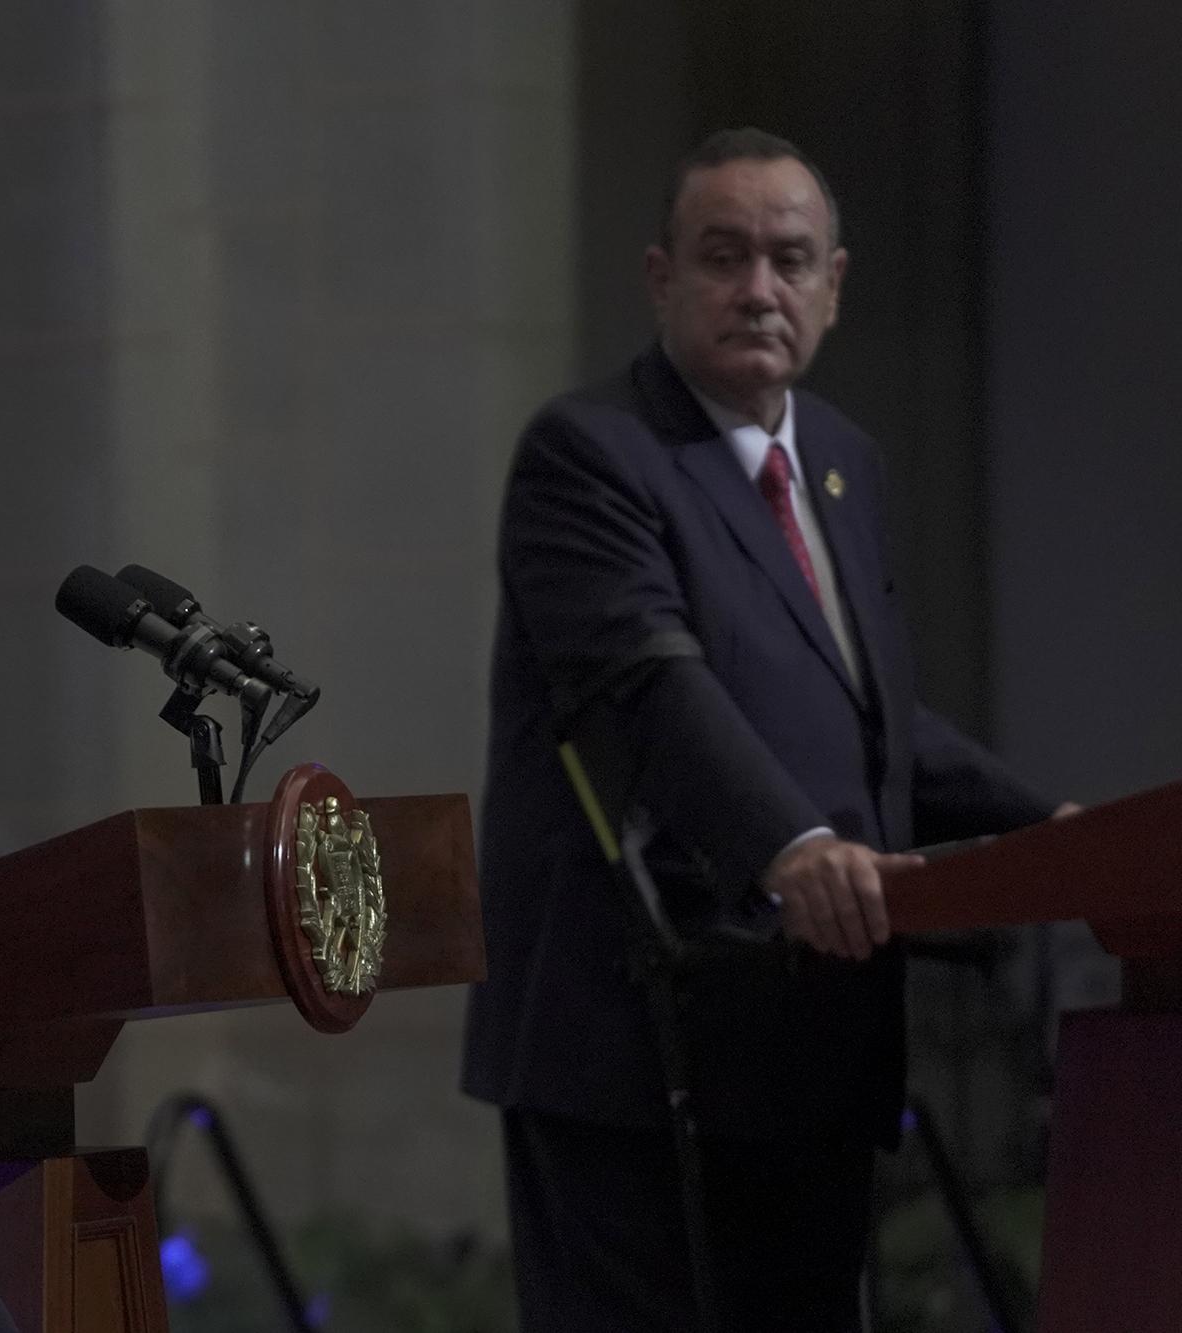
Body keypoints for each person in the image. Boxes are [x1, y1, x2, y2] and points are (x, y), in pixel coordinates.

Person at [459, 128, 1067, 1330]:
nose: (756, 289)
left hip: (809, 1046)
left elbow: (875, 724)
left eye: (788, 260)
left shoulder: (841, 462)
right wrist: (789, 846)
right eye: (722, 256)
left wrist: (1052, 834)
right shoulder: (588, 457)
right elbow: (650, 690)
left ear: (832, 286)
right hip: (636, 1059)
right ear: (660, 277)